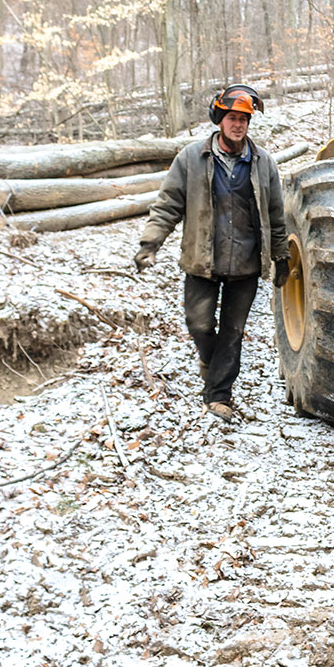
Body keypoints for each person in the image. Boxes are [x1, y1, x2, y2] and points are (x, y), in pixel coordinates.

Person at [134, 83, 289, 421]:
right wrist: (150, 244)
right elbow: (167, 206)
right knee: (200, 324)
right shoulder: (191, 158)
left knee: (232, 334)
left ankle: (219, 395)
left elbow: (277, 215)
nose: (239, 125)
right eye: (233, 118)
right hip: (202, 260)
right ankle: (209, 359)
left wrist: (281, 257)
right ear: (219, 120)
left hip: (246, 264)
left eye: (244, 119)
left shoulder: (263, 163)